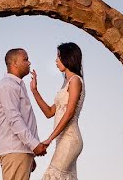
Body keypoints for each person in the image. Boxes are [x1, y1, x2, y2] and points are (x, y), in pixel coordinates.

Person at [30, 42, 86, 180]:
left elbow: (69, 113)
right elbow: (49, 112)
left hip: (70, 139)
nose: (56, 60)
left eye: (58, 56)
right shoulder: (66, 84)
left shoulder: (75, 81)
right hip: (62, 140)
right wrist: (34, 91)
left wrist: (49, 138)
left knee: (52, 177)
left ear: (67, 58)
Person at [0, 48, 48, 179]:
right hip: (14, 149)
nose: (29, 63)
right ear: (14, 63)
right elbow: (14, 119)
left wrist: (30, 152)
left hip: (20, 150)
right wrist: (33, 145)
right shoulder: (8, 85)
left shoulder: (17, 85)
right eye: (25, 59)